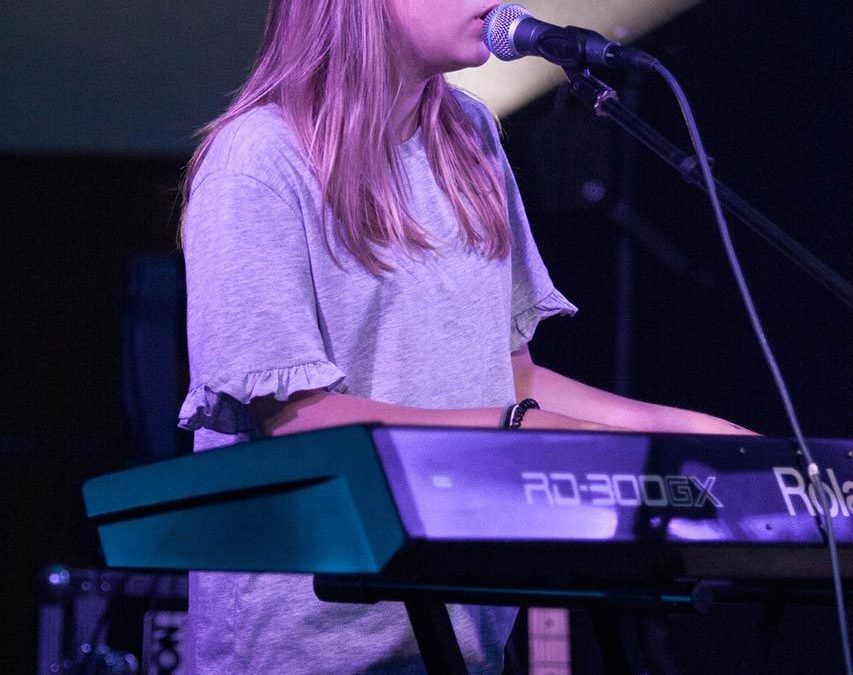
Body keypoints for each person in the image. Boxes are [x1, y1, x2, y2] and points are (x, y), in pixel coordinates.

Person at [177, 1, 752, 673]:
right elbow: (297, 419)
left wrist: (681, 433)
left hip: (461, 634)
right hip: (310, 645)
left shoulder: (470, 137)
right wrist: (517, 432)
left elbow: (508, 376)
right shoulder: (258, 159)